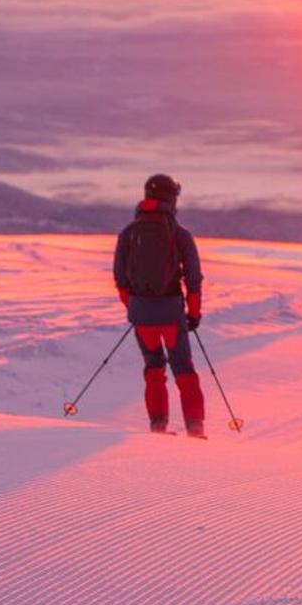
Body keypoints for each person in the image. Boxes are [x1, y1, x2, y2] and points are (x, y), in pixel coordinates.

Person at [113, 173, 206, 436]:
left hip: (142, 316)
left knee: (153, 369)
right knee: (183, 369)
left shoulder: (128, 234)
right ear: (171, 199)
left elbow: (120, 279)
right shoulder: (180, 235)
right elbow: (194, 278)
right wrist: (193, 314)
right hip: (171, 313)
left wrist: (134, 309)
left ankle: (158, 426)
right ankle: (195, 428)